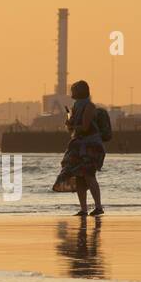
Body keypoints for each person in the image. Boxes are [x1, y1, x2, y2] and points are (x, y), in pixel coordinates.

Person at [51, 79, 106, 216]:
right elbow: (73, 130)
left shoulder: (90, 107)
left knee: (89, 175)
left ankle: (98, 207)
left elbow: (85, 127)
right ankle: (83, 209)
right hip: (79, 145)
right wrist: (69, 124)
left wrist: (72, 126)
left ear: (80, 91)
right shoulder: (76, 107)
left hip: (91, 145)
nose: (72, 93)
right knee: (80, 177)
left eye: (74, 90)